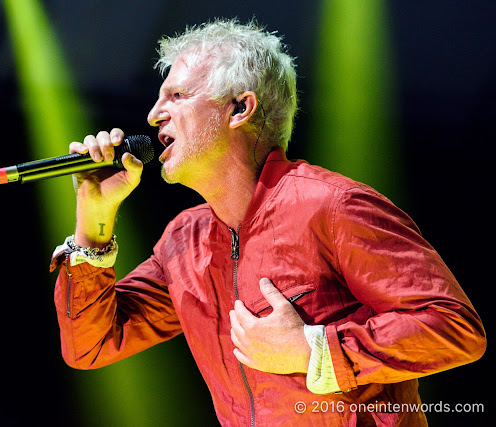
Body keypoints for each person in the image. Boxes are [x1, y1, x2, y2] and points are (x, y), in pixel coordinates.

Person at [49, 18, 486, 426]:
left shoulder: (331, 206)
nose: (153, 114)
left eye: (178, 96)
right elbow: (92, 346)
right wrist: (94, 217)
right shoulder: (184, 240)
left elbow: (453, 326)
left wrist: (313, 350)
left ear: (240, 108)